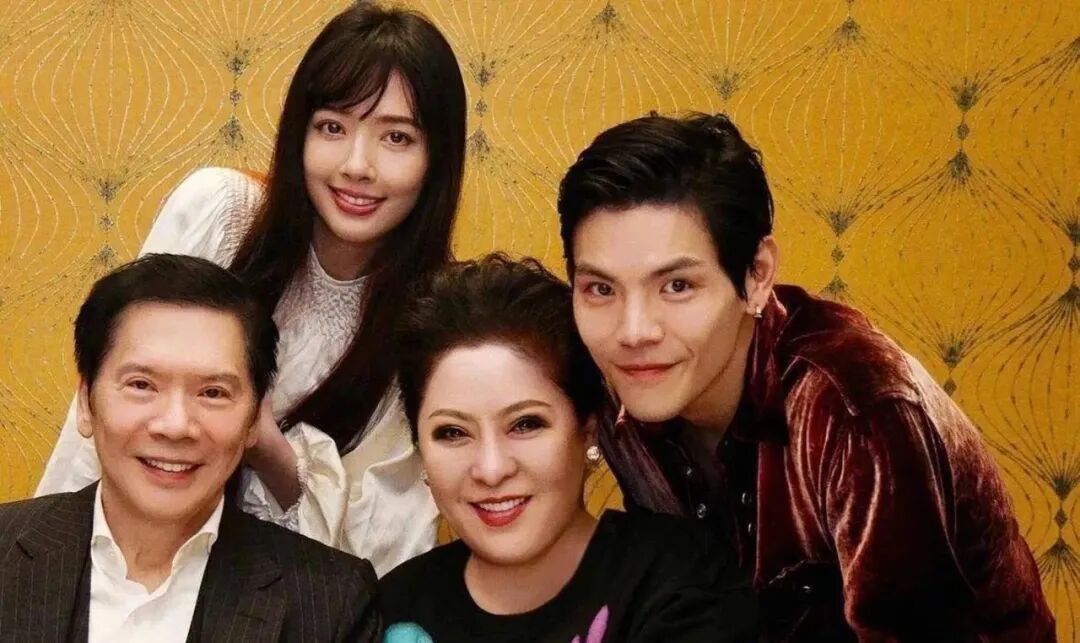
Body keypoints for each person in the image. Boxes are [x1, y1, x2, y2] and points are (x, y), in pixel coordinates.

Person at [557, 113, 1056, 641]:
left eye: (677, 286)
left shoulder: (854, 407)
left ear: (757, 275)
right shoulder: (614, 389)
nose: (633, 332)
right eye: (601, 290)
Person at [35, 3, 467, 575]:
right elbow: (110, 410)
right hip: (132, 555)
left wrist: (264, 442)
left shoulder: (429, 323)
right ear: (298, 132)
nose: (357, 166)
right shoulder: (222, 214)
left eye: (396, 137)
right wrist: (45, 567)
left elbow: (374, 551)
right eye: (332, 127)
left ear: (438, 158)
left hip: (277, 595)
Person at [0, 254, 380, 642]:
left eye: (212, 393)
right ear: (85, 402)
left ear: (254, 420)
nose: (176, 425)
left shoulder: (331, 604)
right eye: (141, 385)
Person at [379, 254, 757, 643]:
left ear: (588, 431)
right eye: (452, 432)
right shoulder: (391, 610)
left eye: (526, 424)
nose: (491, 469)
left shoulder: (680, 579)